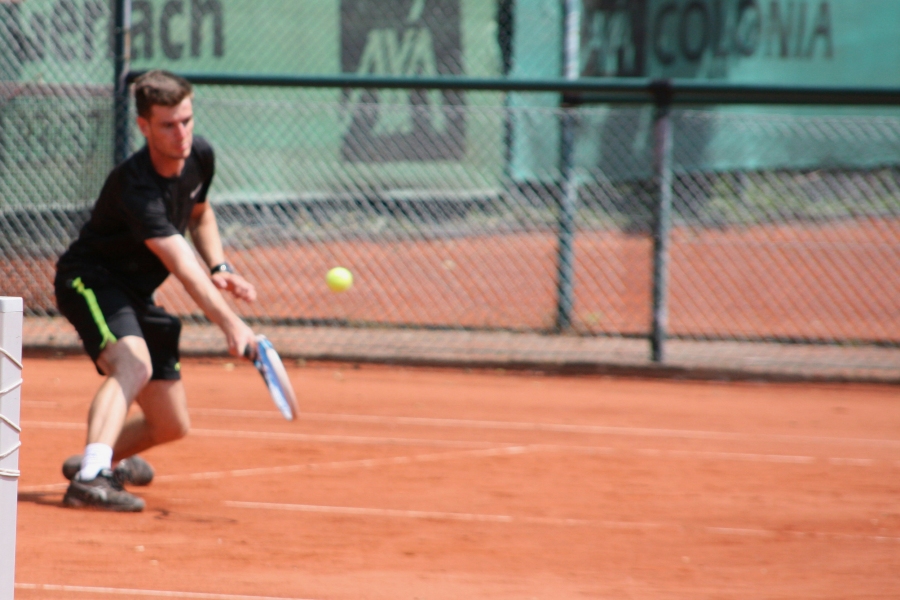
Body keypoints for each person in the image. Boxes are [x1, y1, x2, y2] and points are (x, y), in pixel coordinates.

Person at [54, 70, 257, 512]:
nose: (181, 133)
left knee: (170, 425)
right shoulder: (137, 186)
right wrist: (232, 324)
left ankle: (102, 458)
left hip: (136, 293)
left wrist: (219, 264)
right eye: (168, 125)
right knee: (133, 364)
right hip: (91, 280)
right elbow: (182, 266)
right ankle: (90, 479)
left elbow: (200, 213)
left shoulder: (199, 154)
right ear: (144, 126)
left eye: (186, 120)